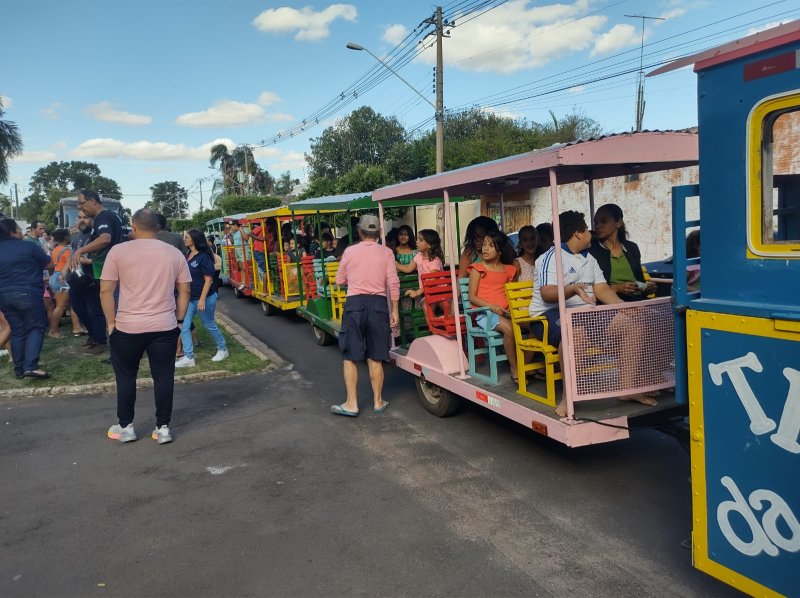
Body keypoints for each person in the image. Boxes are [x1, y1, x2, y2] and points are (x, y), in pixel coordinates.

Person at [528, 211, 656, 417]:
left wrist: (624, 307)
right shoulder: (550, 257)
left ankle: (627, 389)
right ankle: (568, 397)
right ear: (578, 234)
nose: (591, 232)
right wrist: (572, 289)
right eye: (587, 229)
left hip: (586, 313)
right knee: (574, 336)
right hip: (549, 314)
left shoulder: (590, 259)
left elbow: (602, 290)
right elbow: (547, 293)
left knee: (632, 324)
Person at [100, 208, 191, 445]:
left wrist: (111, 322)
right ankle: (163, 428)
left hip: (127, 326)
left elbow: (106, 290)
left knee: (126, 377)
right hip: (164, 325)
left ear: (134, 226)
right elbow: (185, 291)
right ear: (158, 227)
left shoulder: (118, 251)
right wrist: (179, 321)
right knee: (164, 377)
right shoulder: (174, 253)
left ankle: (126, 427)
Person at [331, 214, 399, 417]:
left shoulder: (350, 251)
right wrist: (394, 309)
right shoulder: (387, 252)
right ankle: (378, 401)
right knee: (376, 355)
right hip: (379, 305)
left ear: (359, 231)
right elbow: (393, 283)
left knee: (350, 355)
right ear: (379, 232)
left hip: (355, 305)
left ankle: (352, 404)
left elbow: (339, 280)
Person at [69, 189, 123, 354]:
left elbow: (105, 238)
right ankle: (114, 348)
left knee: (112, 313)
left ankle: (118, 350)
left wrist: (80, 251)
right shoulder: (98, 219)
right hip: (101, 272)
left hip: (110, 272)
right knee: (105, 311)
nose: (81, 208)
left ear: (93, 201)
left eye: (82, 203)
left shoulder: (105, 216)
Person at [0, 218, 52, 378]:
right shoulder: (28, 247)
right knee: (35, 327)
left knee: (17, 330)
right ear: (12, 232)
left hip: (4, 296)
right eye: (19, 229)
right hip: (28, 293)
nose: (22, 231)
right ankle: (31, 366)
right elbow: (49, 264)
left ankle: (19, 369)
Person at [467, 230, 519, 381]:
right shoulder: (478, 269)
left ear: (500, 250)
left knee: (533, 324)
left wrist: (510, 310)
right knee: (509, 329)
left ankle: (527, 364)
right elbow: (472, 297)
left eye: (490, 245)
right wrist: (492, 307)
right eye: (484, 245)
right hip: (486, 315)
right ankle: (515, 368)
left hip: (506, 313)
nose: (485, 249)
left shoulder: (509, 270)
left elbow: (512, 295)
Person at [175, 229, 229, 368]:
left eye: (187, 237)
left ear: (194, 239)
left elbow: (209, 280)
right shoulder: (187, 255)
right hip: (190, 298)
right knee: (184, 327)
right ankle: (189, 357)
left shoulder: (204, 257)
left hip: (205, 297)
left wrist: (202, 299)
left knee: (209, 324)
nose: (184, 239)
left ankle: (223, 349)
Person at [589, 203, 655, 301]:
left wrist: (646, 287)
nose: (598, 226)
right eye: (596, 222)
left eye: (604, 221)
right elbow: (588, 287)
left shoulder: (632, 248)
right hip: (609, 304)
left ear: (618, 222)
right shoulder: (591, 250)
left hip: (637, 301)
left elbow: (637, 281)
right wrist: (616, 288)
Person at [66, 210, 96, 344]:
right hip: (75, 278)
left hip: (90, 279)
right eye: (79, 217)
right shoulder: (77, 236)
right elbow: (73, 255)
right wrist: (63, 271)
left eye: (86, 217)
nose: (82, 220)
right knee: (78, 308)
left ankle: (98, 339)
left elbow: (104, 258)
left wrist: (87, 261)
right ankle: (92, 334)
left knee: (93, 310)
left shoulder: (95, 236)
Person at [396, 229, 444, 299]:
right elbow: (408, 268)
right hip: (428, 292)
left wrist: (417, 292)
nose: (417, 242)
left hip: (440, 292)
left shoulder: (435, 260)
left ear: (429, 245)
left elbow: (432, 280)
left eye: (420, 240)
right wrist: (395, 264)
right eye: (417, 239)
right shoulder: (419, 255)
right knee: (425, 305)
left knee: (439, 305)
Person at [47, 228, 73, 338]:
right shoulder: (67, 251)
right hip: (62, 278)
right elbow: (70, 264)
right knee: (60, 306)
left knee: (61, 305)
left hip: (55, 277)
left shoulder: (56, 249)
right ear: (66, 237)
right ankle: (53, 331)